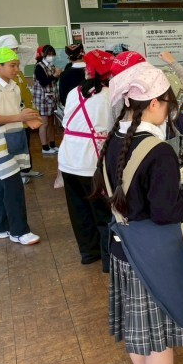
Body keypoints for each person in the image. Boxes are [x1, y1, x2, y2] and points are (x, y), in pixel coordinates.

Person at [93, 63, 183, 364]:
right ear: (154, 103)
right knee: (158, 340)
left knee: (139, 331)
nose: (168, 112)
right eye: (167, 104)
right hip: (152, 258)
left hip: (123, 249)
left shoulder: (114, 140)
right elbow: (164, 213)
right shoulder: (158, 151)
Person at [59, 49, 114, 270]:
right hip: (91, 161)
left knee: (79, 209)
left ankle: (89, 253)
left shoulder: (74, 92)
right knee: (103, 212)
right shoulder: (111, 95)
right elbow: (114, 128)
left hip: (68, 157)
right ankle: (109, 260)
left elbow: (66, 123)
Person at [0, 47, 42, 245]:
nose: (17, 69)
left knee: (4, 184)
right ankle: (19, 231)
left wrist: (28, 119)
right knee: (13, 186)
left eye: (17, 65)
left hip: (15, 137)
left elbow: (16, 112)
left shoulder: (15, 86)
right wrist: (19, 117)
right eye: (12, 65)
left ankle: (1, 228)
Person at [0, 34, 43, 182]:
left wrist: (16, 48)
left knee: (25, 141)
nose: (15, 53)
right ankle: (17, 173)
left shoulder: (18, 67)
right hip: (13, 115)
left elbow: (30, 50)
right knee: (14, 144)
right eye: (11, 50)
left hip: (24, 112)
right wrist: (0, 50)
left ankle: (25, 169)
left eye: (16, 50)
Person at [31, 44, 62, 155]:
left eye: (53, 54)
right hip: (42, 99)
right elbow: (43, 82)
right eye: (49, 54)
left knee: (51, 123)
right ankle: (45, 147)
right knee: (44, 123)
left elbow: (53, 82)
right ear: (43, 54)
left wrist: (57, 76)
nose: (51, 56)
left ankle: (52, 144)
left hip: (51, 98)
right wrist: (55, 75)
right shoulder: (39, 67)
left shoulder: (51, 66)